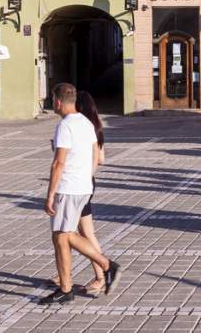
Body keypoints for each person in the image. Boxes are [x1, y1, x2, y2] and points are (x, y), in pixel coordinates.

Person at [40, 83, 119, 306]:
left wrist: (50, 194)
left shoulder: (65, 125)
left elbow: (58, 163)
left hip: (68, 188)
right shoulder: (86, 123)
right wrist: (88, 176)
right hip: (84, 186)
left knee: (62, 235)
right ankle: (66, 287)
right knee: (62, 236)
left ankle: (105, 265)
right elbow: (96, 153)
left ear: (57, 101)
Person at [74, 91, 107, 297]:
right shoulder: (96, 127)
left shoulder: (81, 129)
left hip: (79, 183)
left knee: (73, 233)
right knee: (81, 232)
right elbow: (102, 158)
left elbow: (99, 158)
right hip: (88, 181)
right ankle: (67, 273)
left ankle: (102, 274)